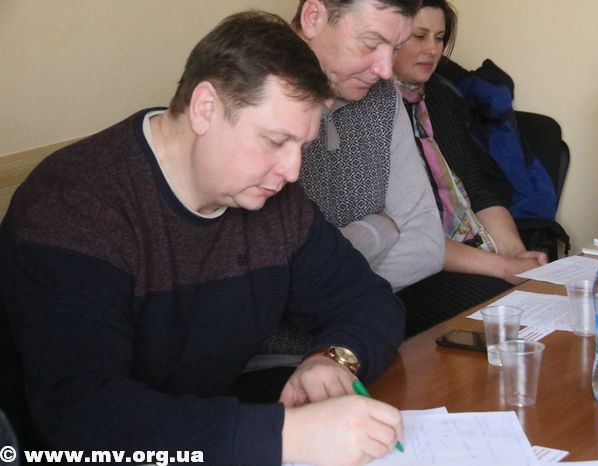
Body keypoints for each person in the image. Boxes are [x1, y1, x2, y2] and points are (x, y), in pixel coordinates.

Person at [0, 11, 405, 466]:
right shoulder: (73, 204)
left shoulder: (273, 198)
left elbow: (369, 301)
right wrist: (285, 436)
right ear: (205, 108)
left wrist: (333, 359)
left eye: (303, 147)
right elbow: (83, 417)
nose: (293, 171)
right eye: (275, 141)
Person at [391, 0, 547, 335]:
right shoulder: (368, 110)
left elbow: (478, 189)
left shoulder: (440, 97)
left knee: (538, 293)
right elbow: (410, 235)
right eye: (419, 36)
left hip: (469, 254)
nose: (432, 50)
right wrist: (502, 267)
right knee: (501, 306)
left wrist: (518, 255)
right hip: (410, 273)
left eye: (439, 38)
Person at [292, 0, 445, 290]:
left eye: (395, 48)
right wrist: (381, 229)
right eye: (371, 43)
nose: (386, 71)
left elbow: (428, 247)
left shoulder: (383, 96)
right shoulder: (252, 91)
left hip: (364, 311)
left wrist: (316, 283)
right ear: (313, 18)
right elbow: (271, 278)